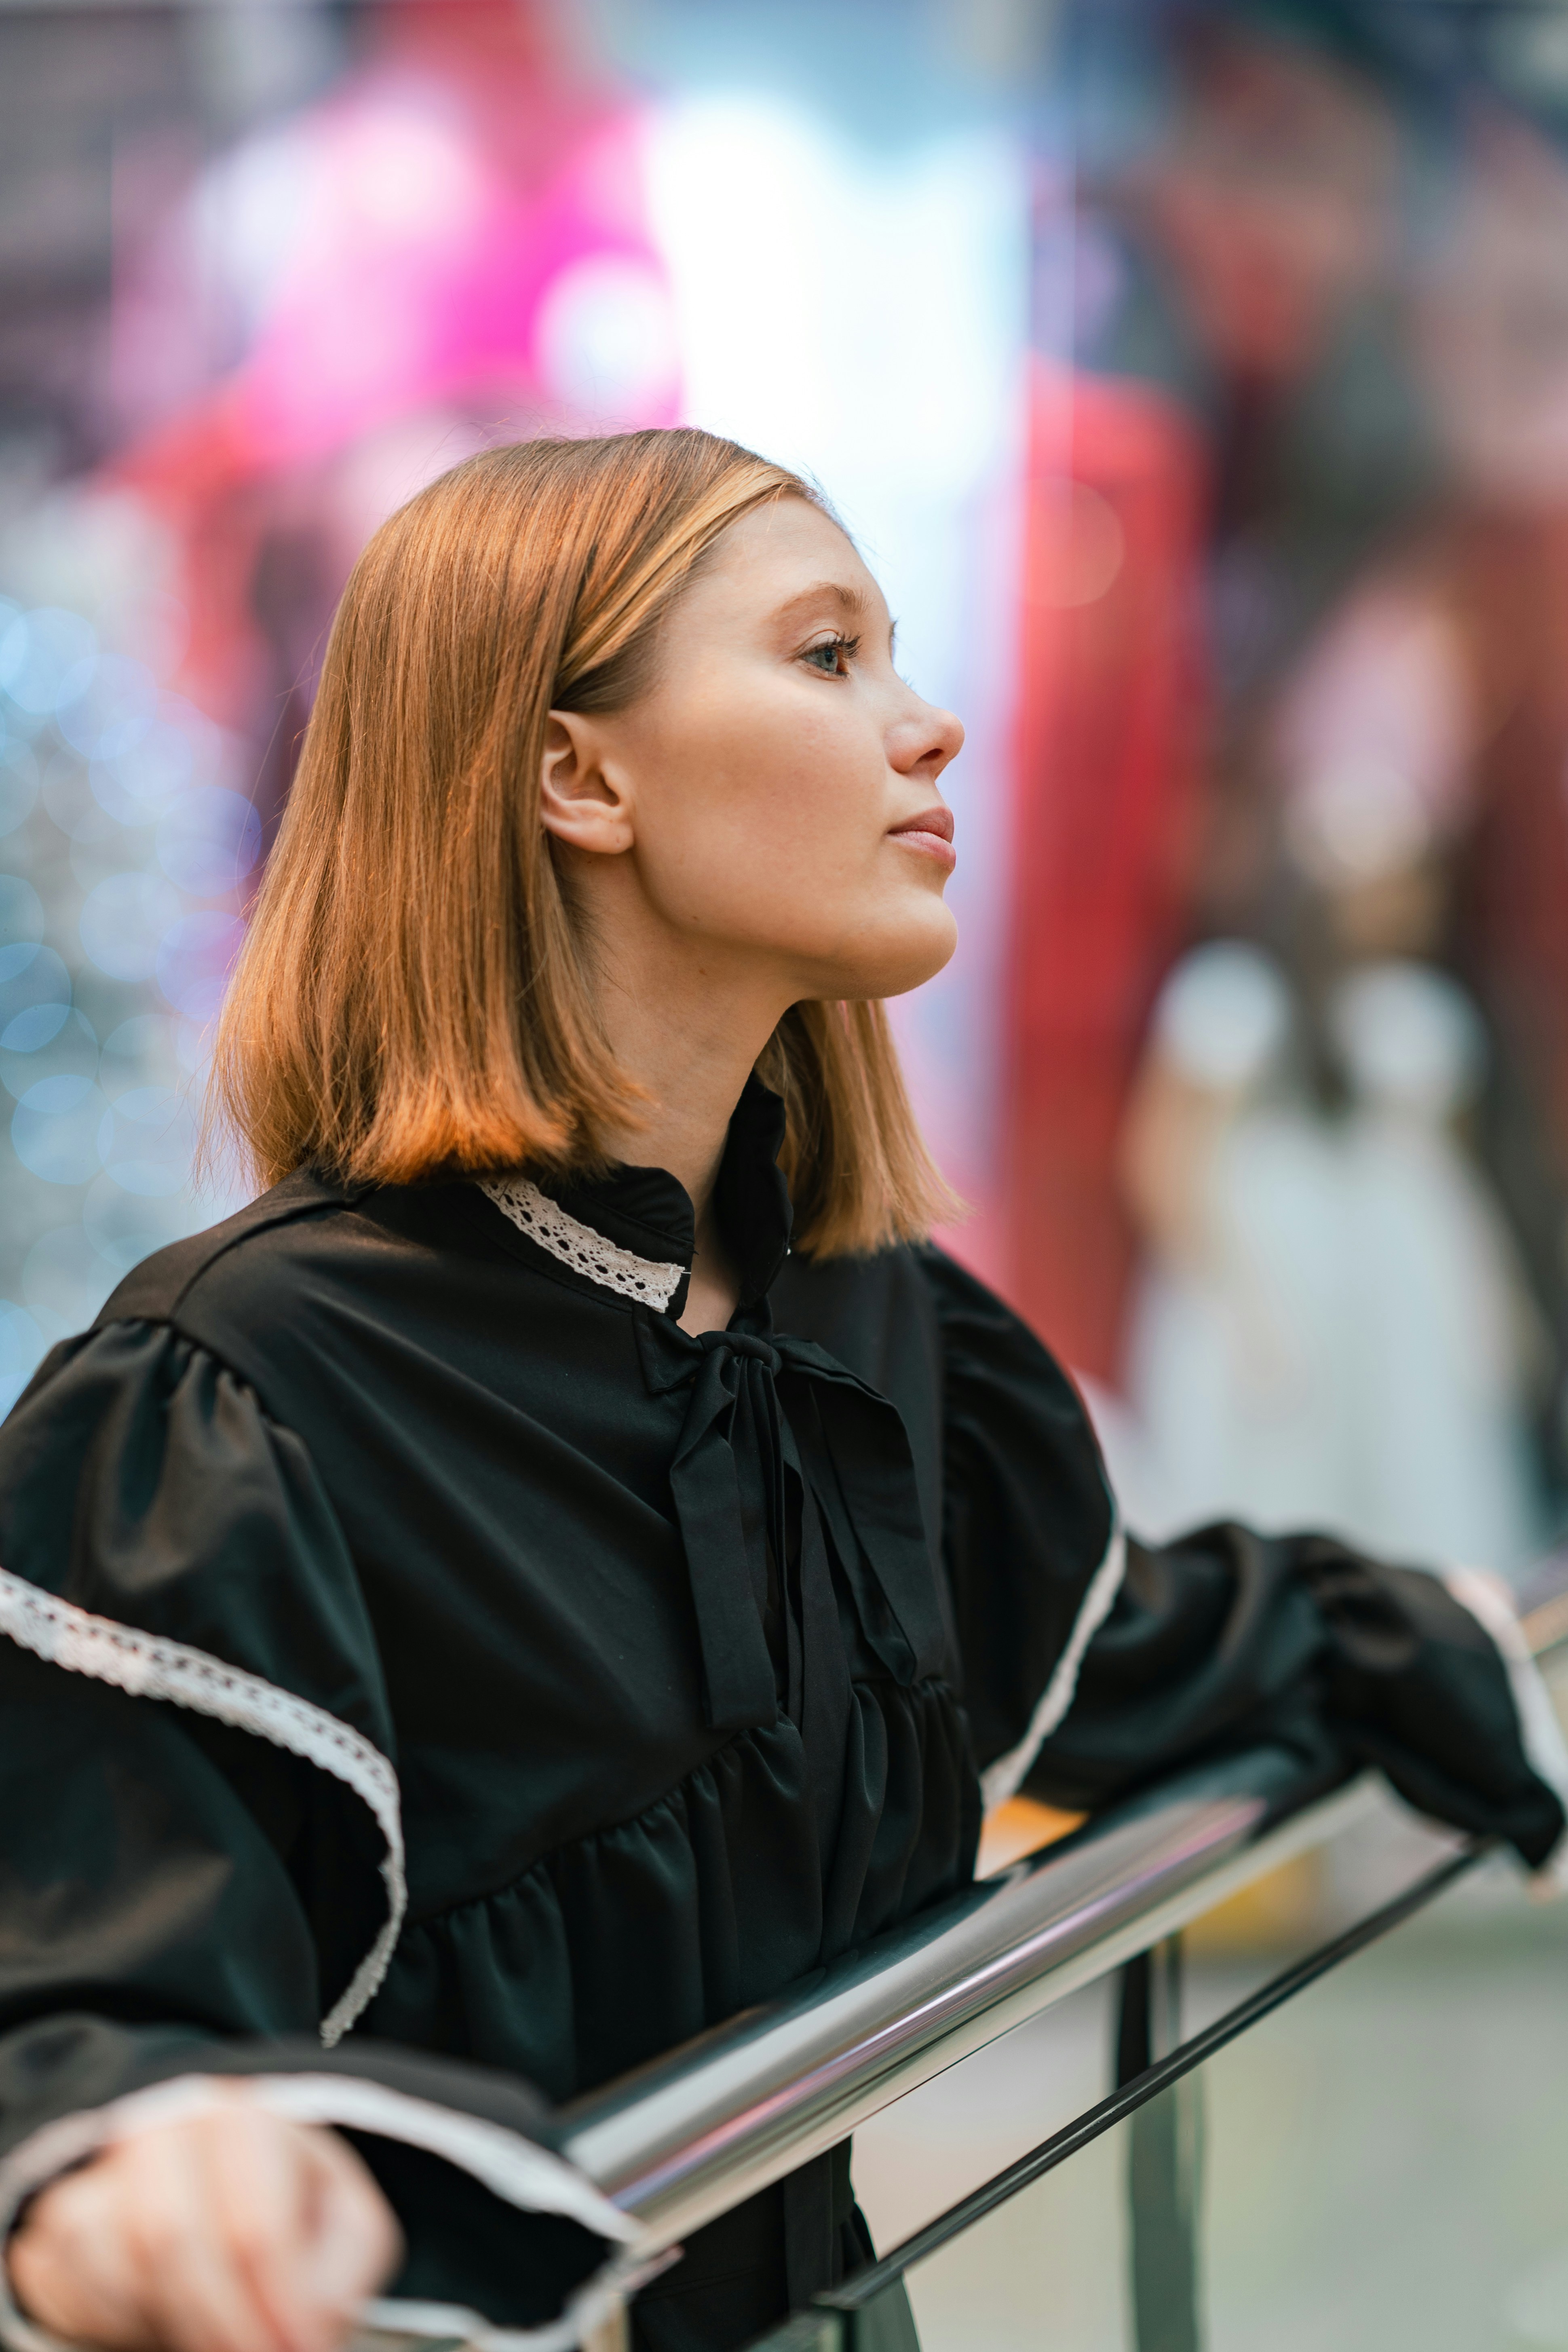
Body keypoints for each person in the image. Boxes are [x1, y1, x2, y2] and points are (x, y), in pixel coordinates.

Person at [0, 429, 1562, 2352]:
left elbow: (1131, 1648)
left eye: (893, 655)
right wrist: (139, 2172)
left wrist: (1456, 1642)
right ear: (579, 772)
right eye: (826, 656)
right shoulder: (234, 1406)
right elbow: (93, 2021)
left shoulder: (877, 1330)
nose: (931, 732)